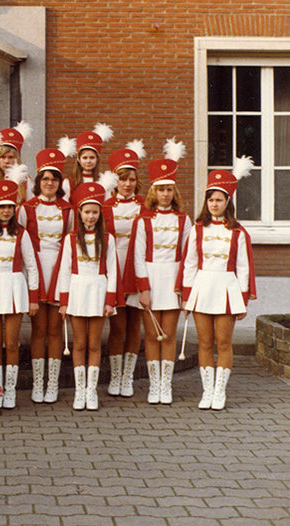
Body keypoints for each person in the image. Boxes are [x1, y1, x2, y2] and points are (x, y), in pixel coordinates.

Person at [180, 158, 256, 410]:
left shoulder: (238, 232)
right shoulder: (197, 229)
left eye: (219, 200)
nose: (214, 204)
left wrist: (242, 299)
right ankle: (207, 391)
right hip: (202, 287)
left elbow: (243, 266)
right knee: (204, 342)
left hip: (226, 289)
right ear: (206, 202)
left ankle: (220, 391)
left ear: (227, 203)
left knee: (223, 343)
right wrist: (187, 296)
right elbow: (190, 263)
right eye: (211, 199)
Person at [131, 139, 190, 404]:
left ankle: (166, 385)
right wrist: (143, 288)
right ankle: (154, 386)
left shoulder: (183, 219)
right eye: (161, 189)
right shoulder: (143, 220)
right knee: (152, 334)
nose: (165, 194)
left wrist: (183, 286)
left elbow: (189, 255)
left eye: (169, 189)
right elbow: (137, 255)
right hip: (152, 280)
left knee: (169, 333)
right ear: (153, 192)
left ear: (174, 192)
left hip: (174, 278)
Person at [0, 180, 40, 408]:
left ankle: (10, 390)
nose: (6, 211)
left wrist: (33, 298)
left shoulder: (21, 234)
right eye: (2, 207)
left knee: (11, 343)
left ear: (14, 210)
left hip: (14, 287)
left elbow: (31, 266)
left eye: (10, 207)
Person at [56, 182, 117, 411]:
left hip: (98, 291)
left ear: (100, 213)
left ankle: (92, 391)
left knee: (94, 344)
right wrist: (63, 303)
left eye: (94, 212)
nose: (90, 216)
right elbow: (64, 271)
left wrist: (110, 301)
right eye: (86, 212)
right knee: (79, 343)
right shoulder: (71, 239)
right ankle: (79, 390)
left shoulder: (108, 239)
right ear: (79, 214)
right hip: (77, 291)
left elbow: (113, 270)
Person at [23, 149, 74, 403]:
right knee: (38, 329)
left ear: (60, 182)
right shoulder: (27, 207)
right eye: (45, 178)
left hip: (59, 268)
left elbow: (73, 241)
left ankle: (52, 384)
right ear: (38, 181)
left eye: (54, 178)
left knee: (55, 329)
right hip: (35, 267)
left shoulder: (68, 209)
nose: (50, 182)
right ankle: (37, 383)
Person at [100, 142, 146, 397]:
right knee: (117, 326)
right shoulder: (105, 206)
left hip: (137, 268)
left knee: (134, 324)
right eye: (123, 179)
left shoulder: (144, 205)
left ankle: (128, 376)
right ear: (115, 181)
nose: (127, 184)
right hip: (114, 267)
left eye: (131, 179)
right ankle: (115, 377)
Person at [59, 123, 113, 202]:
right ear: (79, 159)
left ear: (97, 159)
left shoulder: (103, 180)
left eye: (92, 158)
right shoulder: (69, 182)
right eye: (85, 158)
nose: (88, 161)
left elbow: (107, 205)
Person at [0, 121, 34, 203]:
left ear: (16, 159)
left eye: (10, 157)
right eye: (3, 157)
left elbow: (31, 203)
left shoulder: (25, 180)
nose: (6, 161)